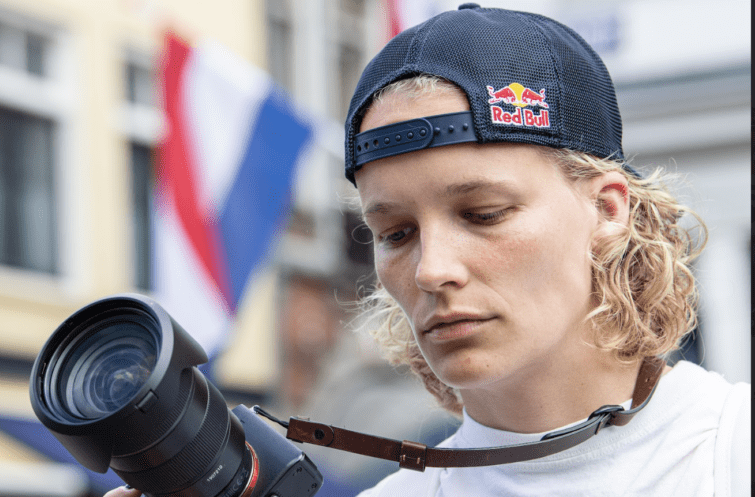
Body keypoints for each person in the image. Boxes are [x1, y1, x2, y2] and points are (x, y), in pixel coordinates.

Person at [106, 4, 750, 496]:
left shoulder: (731, 452)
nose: (433, 269)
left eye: (483, 213)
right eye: (395, 233)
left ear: (607, 209)